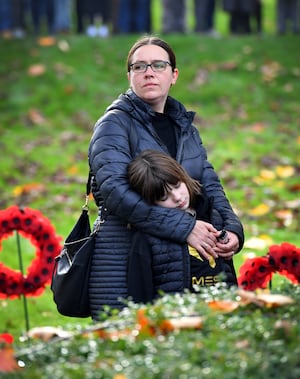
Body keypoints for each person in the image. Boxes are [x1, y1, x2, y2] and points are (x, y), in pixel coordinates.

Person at [88, 35, 244, 320]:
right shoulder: (113, 125)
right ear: (129, 76)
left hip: (183, 266)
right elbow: (115, 192)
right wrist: (185, 227)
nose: (149, 72)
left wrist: (233, 229)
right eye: (139, 66)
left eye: (158, 65)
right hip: (125, 262)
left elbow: (208, 185)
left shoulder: (184, 126)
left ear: (173, 75)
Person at [127, 149, 238, 303]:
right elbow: (140, 297)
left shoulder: (213, 217)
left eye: (177, 185)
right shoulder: (147, 237)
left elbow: (229, 275)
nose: (178, 198)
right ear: (150, 201)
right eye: (164, 197)